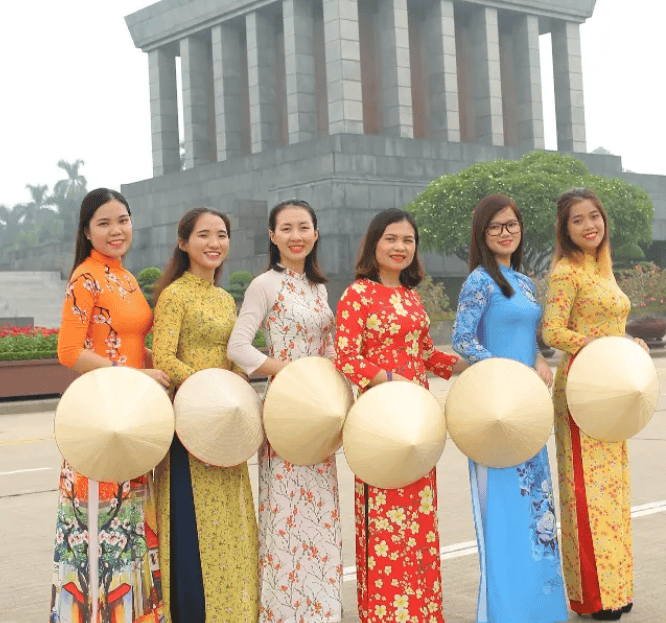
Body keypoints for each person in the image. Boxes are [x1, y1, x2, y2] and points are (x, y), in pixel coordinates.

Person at [334, 208, 468, 623]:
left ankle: (422, 610)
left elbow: (425, 354)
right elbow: (346, 357)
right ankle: (388, 613)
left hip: (418, 419)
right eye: (391, 239)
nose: (400, 247)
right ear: (374, 243)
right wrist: (388, 378)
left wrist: (464, 365)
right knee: (385, 516)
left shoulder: (410, 296)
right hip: (380, 420)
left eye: (408, 240)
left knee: (419, 515)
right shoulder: (357, 294)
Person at [51, 187, 171, 623]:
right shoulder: (86, 277)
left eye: (122, 220)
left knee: (131, 527)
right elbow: (68, 351)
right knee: (101, 529)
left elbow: (135, 344)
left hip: (133, 416)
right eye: (104, 223)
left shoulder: (125, 276)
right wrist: (135, 376)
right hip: (102, 418)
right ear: (86, 231)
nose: (116, 230)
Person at [451, 194, 568, 623]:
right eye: (497, 226)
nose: (506, 232)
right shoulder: (479, 282)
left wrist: (538, 360)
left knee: (537, 508)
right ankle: (505, 612)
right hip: (495, 411)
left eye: (512, 225)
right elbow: (464, 341)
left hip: (527, 412)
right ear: (483, 235)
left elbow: (531, 338)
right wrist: (505, 371)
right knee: (502, 512)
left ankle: (540, 608)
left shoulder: (524, 282)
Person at [225, 200, 341, 623]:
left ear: (316, 233)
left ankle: (321, 608)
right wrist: (291, 371)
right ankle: (286, 611)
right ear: (272, 237)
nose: (297, 236)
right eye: (286, 228)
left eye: (304, 227)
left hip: (320, 409)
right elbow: (238, 348)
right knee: (287, 510)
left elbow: (328, 347)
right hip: (287, 408)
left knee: (320, 509)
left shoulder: (318, 288)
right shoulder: (264, 285)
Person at [151, 207, 258, 623]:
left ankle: (231, 609)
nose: (214, 243)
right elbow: (163, 357)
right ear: (183, 243)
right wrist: (207, 392)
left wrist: (231, 386)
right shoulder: (174, 295)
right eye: (204, 235)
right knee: (192, 520)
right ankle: (193, 611)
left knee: (228, 518)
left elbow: (234, 353)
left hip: (224, 422)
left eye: (222, 235)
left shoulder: (223, 297)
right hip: (191, 421)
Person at [541, 188, 639, 620]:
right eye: (578, 220)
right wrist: (597, 345)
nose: (589, 225)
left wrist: (627, 342)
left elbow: (612, 324)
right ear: (566, 230)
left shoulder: (604, 270)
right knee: (585, 491)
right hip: (582, 387)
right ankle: (593, 596)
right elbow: (552, 331)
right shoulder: (567, 271)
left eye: (594, 216)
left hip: (611, 387)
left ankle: (617, 586)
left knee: (614, 491)